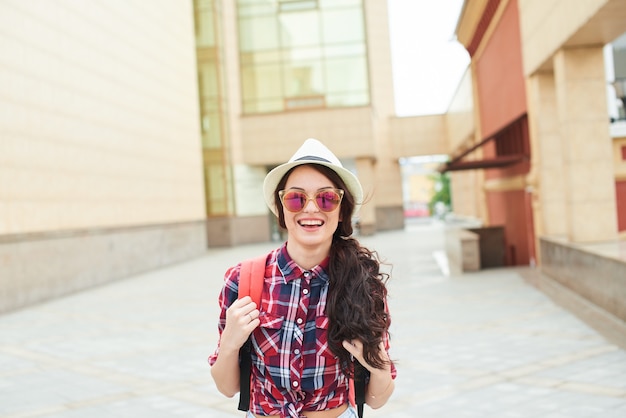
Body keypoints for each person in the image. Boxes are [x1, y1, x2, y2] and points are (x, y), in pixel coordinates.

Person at [208, 138, 396, 418]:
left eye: (326, 198)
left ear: (341, 209)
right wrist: (230, 344)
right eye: (296, 198)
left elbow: (377, 399)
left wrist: (375, 359)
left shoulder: (363, 285)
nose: (310, 209)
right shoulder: (243, 280)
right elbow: (227, 387)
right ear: (281, 208)